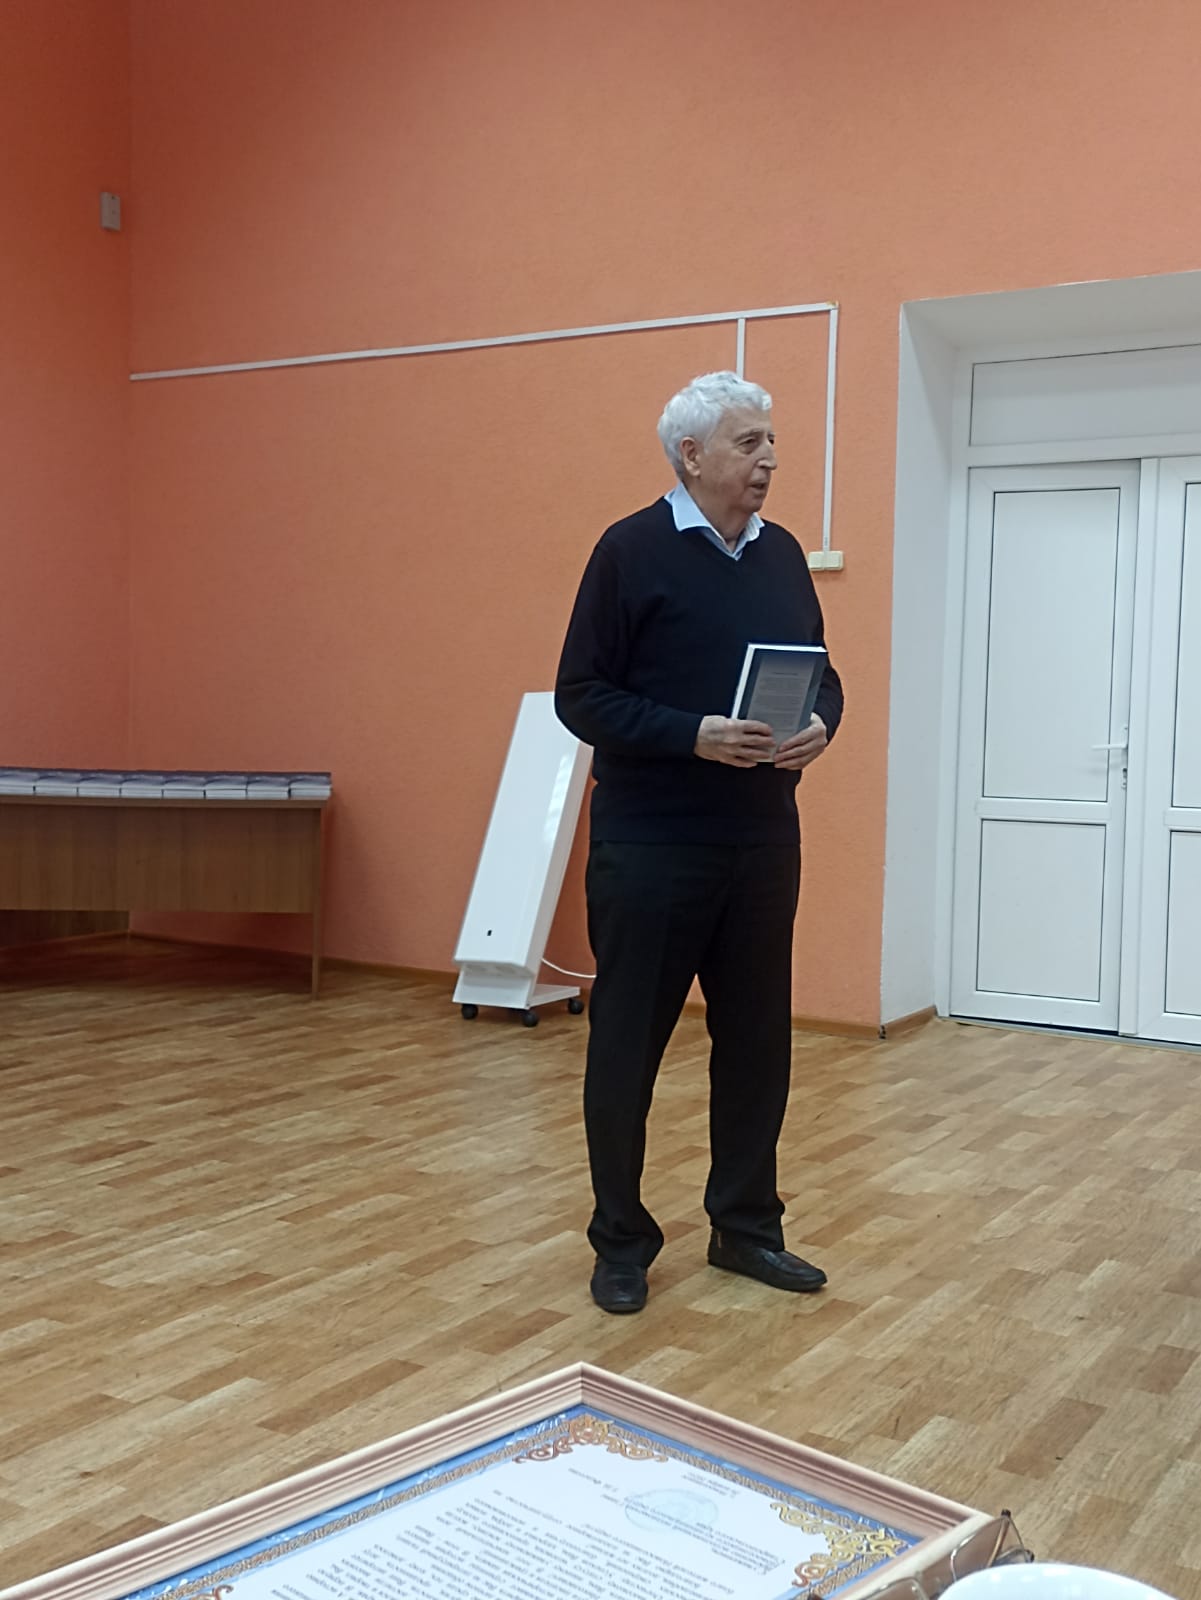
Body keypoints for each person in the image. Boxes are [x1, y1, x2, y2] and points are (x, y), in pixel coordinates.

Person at [554, 370, 844, 1315]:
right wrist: (692, 734)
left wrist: (822, 723)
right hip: (651, 843)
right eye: (748, 442)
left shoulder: (783, 554)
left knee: (757, 1040)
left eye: (771, 441)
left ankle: (745, 1228)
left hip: (760, 840)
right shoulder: (628, 551)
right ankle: (620, 1241)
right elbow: (580, 696)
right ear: (691, 454)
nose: (770, 459)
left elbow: (822, 674)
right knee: (627, 1044)